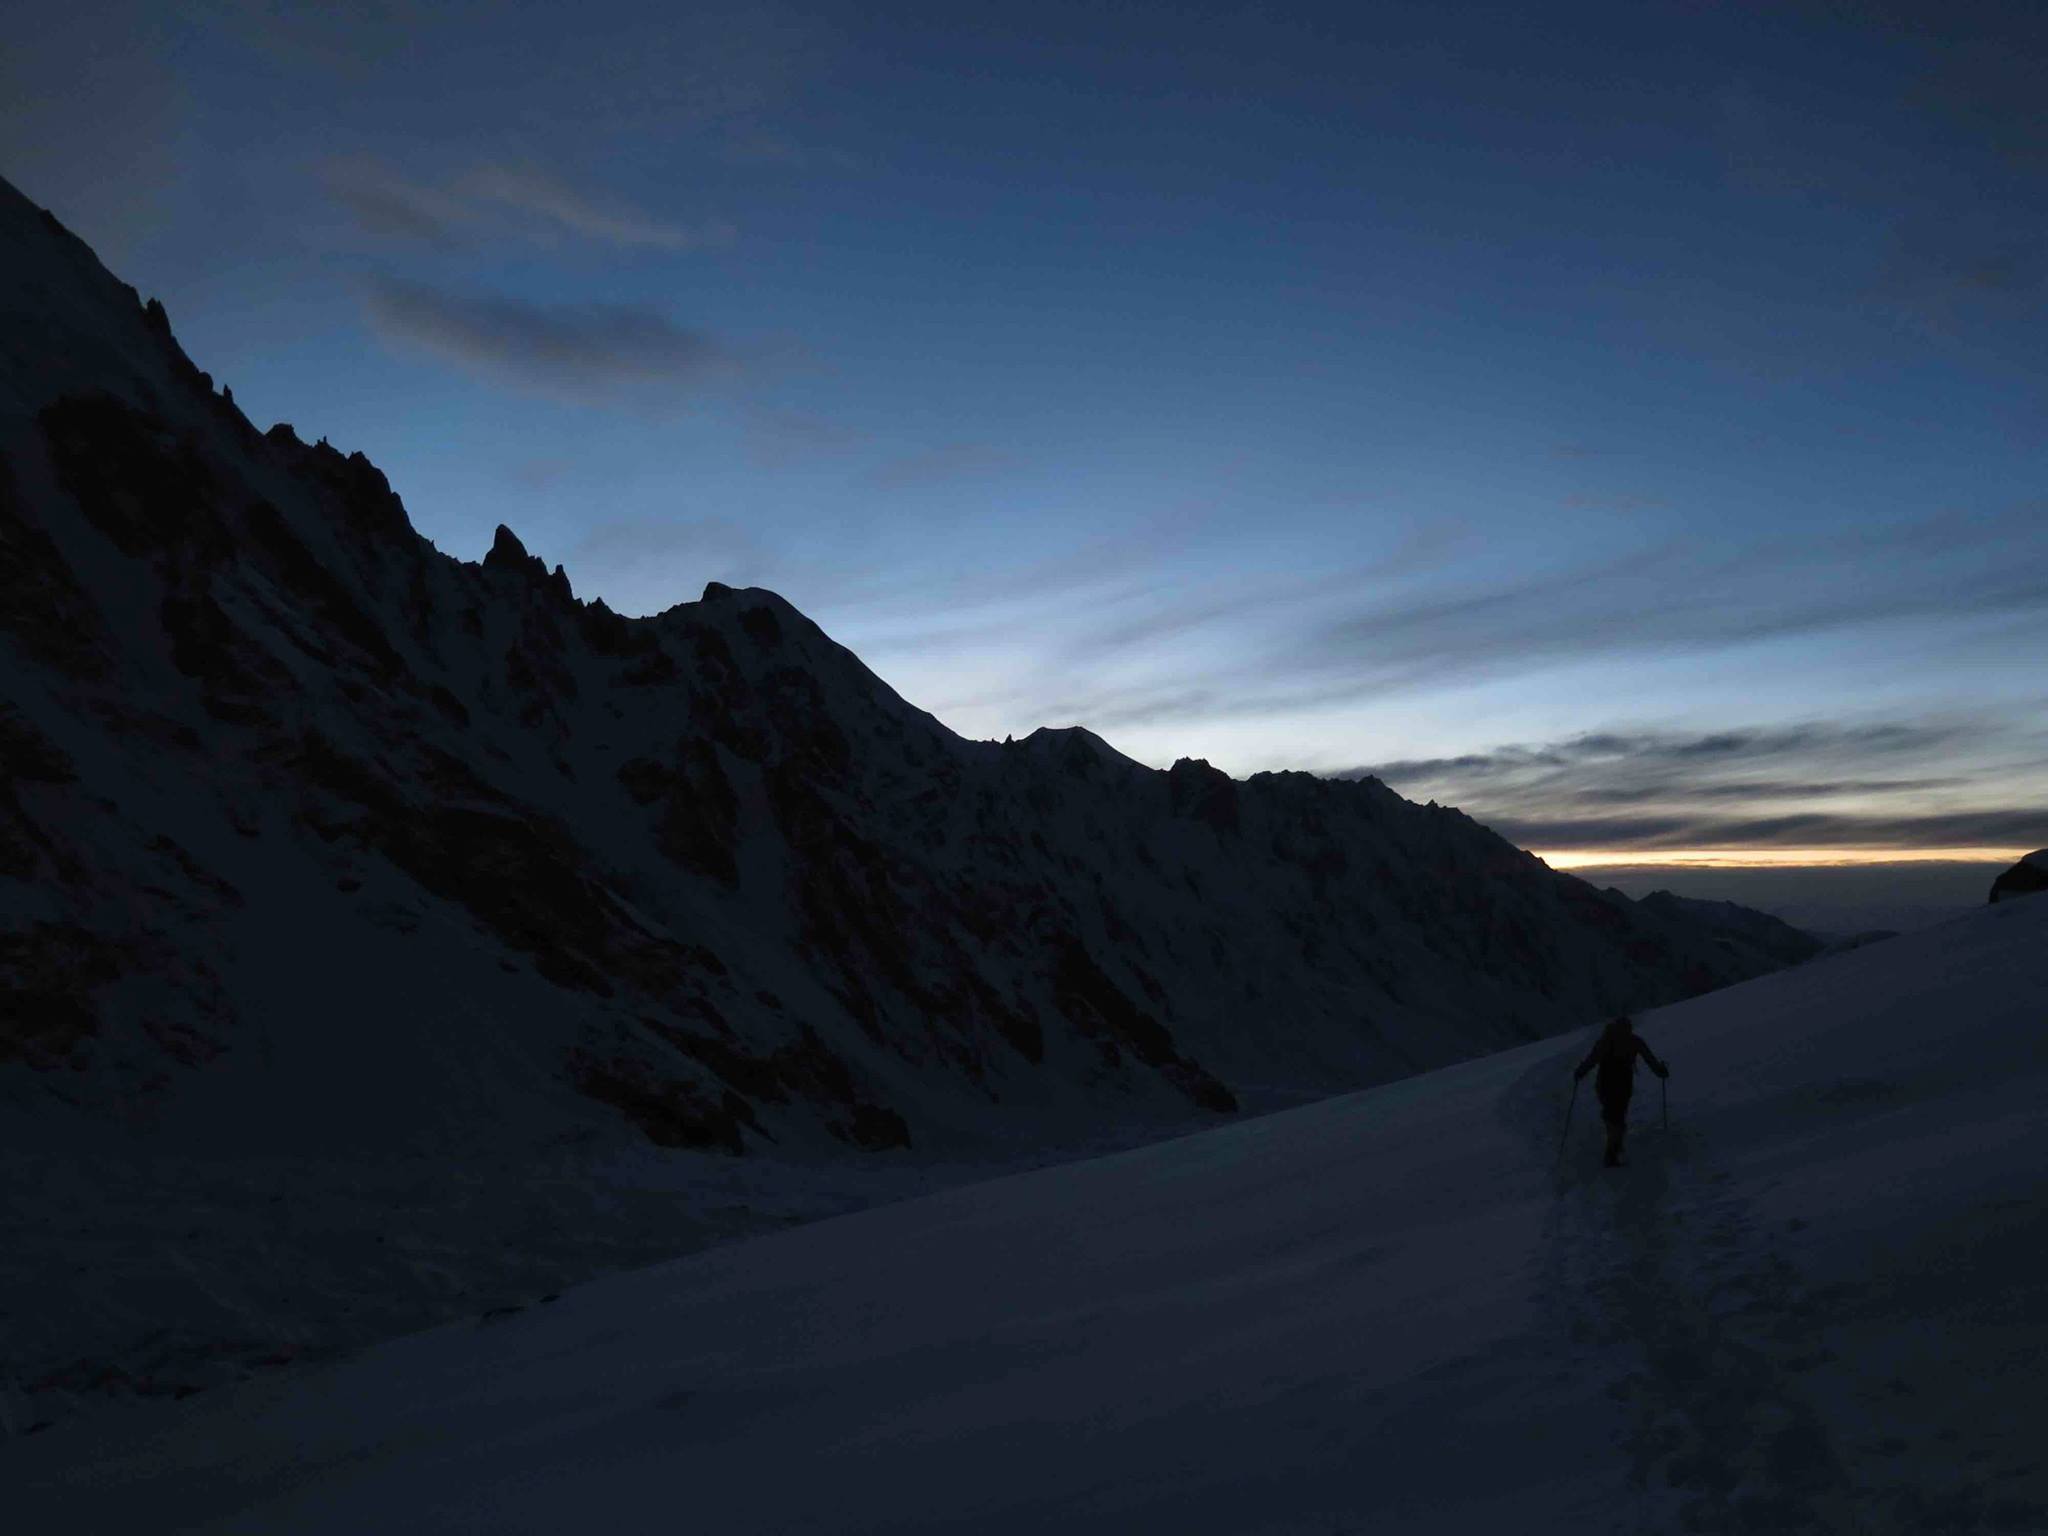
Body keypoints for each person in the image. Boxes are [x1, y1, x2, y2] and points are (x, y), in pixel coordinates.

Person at [1574, 1014, 1669, 1167]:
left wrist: (1580, 1072)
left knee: (1611, 1113)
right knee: (1618, 1114)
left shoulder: (1606, 1041)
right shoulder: (1634, 1041)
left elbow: (1592, 1059)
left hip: (1604, 1082)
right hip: (1623, 1083)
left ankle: (1614, 1143)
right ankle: (1613, 1149)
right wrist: (1660, 1071)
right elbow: (1649, 1058)